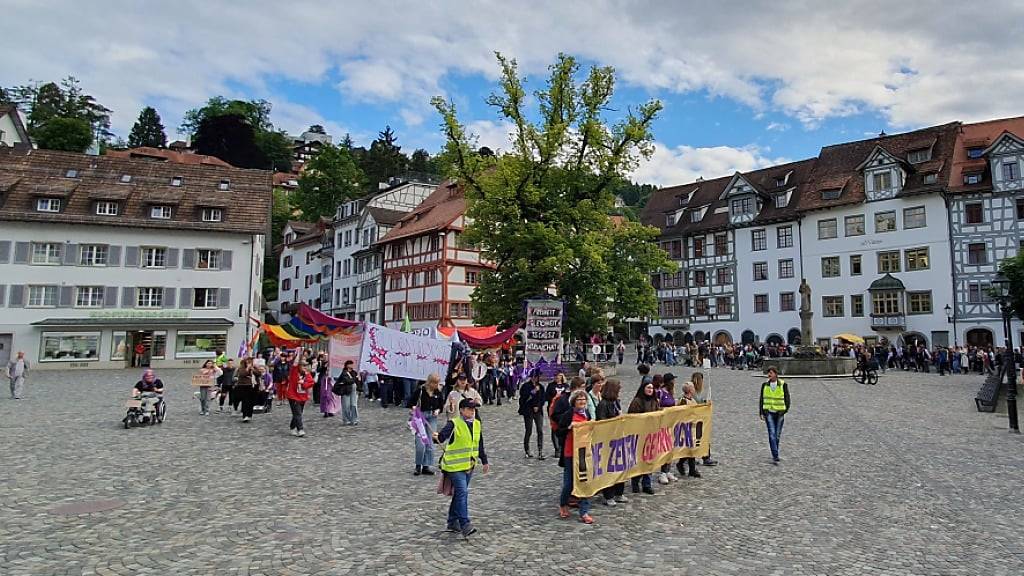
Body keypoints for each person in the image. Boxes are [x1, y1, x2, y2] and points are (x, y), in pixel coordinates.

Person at [434, 398, 490, 537]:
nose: (472, 411)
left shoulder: (477, 424)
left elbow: (479, 443)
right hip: (454, 466)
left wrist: (484, 460)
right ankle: (465, 524)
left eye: (474, 409)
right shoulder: (453, 424)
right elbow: (441, 438)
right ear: (462, 410)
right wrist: (437, 437)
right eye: (469, 408)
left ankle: (452, 522)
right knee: (462, 492)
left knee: (459, 494)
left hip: (469, 465)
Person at [557, 390, 594, 524]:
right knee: (569, 483)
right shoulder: (568, 415)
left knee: (584, 482)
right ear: (574, 402)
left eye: (584, 400)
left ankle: (584, 511)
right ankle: (563, 503)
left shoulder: (587, 414)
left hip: (584, 453)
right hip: (570, 453)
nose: (582, 402)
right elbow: (558, 432)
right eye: (579, 400)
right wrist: (569, 428)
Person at [596, 379, 627, 506]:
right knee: (609, 469)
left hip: (618, 438)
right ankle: (608, 495)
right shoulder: (603, 404)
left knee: (620, 466)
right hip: (608, 441)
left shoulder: (616, 402)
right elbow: (602, 422)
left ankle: (619, 492)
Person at [627, 380, 659, 495]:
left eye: (651, 388)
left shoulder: (655, 401)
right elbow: (632, 417)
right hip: (640, 435)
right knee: (639, 459)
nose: (650, 390)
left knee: (649, 459)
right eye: (648, 388)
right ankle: (635, 481)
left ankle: (647, 484)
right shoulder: (637, 401)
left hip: (651, 435)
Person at [412, 373, 444, 476]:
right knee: (421, 443)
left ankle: (426, 466)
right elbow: (411, 402)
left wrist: (438, 410)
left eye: (437, 383)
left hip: (432, 418)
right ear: (429, 382)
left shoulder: (437, 392)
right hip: (420, 417)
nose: (436, 385)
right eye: (435, 383)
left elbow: (441, 405)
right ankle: (418, 465)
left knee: (430, 443)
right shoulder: (420, 391)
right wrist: (413, 408)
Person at [759, 366, 791, 464]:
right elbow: (762, 398)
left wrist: (785, 410)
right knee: (772, 435)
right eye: (769, 373)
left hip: (780, 413)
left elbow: (787, 399)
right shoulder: (765, 385)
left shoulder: (783, 384)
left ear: (776, 374)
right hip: (769, 413)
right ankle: (775, 455)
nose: (769, 375)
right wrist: (761, 411)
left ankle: (775, 451)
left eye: (771, 373)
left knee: (777, 436)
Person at [518, 369, 547, 459]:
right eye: (536, 377)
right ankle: (527, 450)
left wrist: (538, 406)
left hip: (538, 411)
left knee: (540, 430)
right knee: (529, 430)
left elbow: (542, 398)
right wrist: (534, 391)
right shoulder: (525, 386)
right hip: (528, 411)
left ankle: (540, 451)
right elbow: (523, 398)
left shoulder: (541, 387)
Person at [675, 382, 702, 478]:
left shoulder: (693, 400)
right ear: (690, 390)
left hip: (692, 427)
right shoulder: (683, 400)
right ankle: (683, 465)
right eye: (693, 388)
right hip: (685, 428)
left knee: (692, 449)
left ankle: (691, 469)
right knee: (688, 448)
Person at [656, 373, 679, 484]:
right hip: (662, 424)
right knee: (663, 447)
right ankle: (662, 472)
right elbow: (657, 407)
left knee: (670, 447)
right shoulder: (660, 393)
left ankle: (668, 469)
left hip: (671, 424)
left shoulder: (670, 393)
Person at [691, 372, 717, 466]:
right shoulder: (693, 391)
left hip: (700, 418)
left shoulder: (698, 391)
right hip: (694, 418)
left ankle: (706, 456)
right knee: (698, 438)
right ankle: (704, 457)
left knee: (703, 437)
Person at [286, 360, 315, 437]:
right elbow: (294, 365)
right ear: (299, 366)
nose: (305, 367)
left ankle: (292, 427)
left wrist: (303, 383)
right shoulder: (294, 373)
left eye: (306, 366)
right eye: (303, 366)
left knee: (298, 413)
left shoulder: (307, 375)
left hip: (302, 397)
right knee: (298, 413)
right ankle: (300, 429)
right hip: (293, 396)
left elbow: (311, 382)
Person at [334, 360, 360, 425]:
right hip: (346, 391)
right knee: (346, 406)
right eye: (350, 364)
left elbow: (357, 382)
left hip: (353, 390)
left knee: (353, 405)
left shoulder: (354, 372)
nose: (352, 365)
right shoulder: (344, 373)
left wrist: (359, 387)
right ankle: (346, 420)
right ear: (347, 365)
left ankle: (354, 419)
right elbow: (348, 381)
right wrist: (355, 378)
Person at [235, 357, 260, 423]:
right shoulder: (241, 367)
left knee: (251, 402)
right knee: (245, 401)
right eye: (248, 361)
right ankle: (245, 415)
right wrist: (247, 368)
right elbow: (242, 374)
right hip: (244, 386)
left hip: (253, 386)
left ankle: (249, 415)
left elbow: (259, 374)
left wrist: (253, 369)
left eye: (251, 361)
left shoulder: (254, 367)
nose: (249, 362)